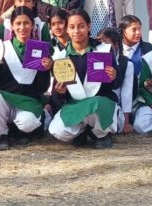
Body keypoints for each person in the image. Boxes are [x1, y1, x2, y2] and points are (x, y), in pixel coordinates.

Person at [49, 10, 122, 149]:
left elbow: (117, 83)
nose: (76, 31)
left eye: (81, 26)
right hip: (76, 106)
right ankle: (83, 131)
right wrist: (60, 93)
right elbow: (55, 98)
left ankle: (101, 134)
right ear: (67, 29)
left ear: (89, 26)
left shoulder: (103, 50)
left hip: (99, 103)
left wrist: (113, 77)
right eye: (72, 27)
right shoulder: (60, 57)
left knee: (96, 104)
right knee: (57, 130)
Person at [0, 6, 52, 150]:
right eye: (18, 23)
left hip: (29, 101)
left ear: (33, 25)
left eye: (26, 23)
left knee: (28, 123)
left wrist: (45, 70)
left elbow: (43, 88)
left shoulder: (40, 50)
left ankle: (24, 129)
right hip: (6, 99)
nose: (22, 27)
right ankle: (2, 135)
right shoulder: (1, 47)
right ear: (12, 26)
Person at [118, 15, 152, 134]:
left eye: (139, 29)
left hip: (140, 98)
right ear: (123, 31)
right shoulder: (115, 48)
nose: (138, 33)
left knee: (142, 127)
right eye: (134, 29)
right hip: (120, 98)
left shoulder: (147, 48)